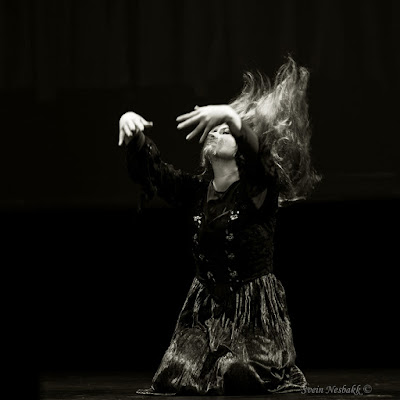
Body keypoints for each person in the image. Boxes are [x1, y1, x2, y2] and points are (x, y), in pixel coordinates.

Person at [118, 57, 320, 396]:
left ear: (240, 151)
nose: (216, 132)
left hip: (253, 309)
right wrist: (133, 132)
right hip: (205, 309)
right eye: (215, 129)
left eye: (225, 132)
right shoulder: (197, 191)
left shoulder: (258, 189)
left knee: (240, 373)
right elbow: (155, 174)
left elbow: (259, 159)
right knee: (175, 377)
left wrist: (231, 118)